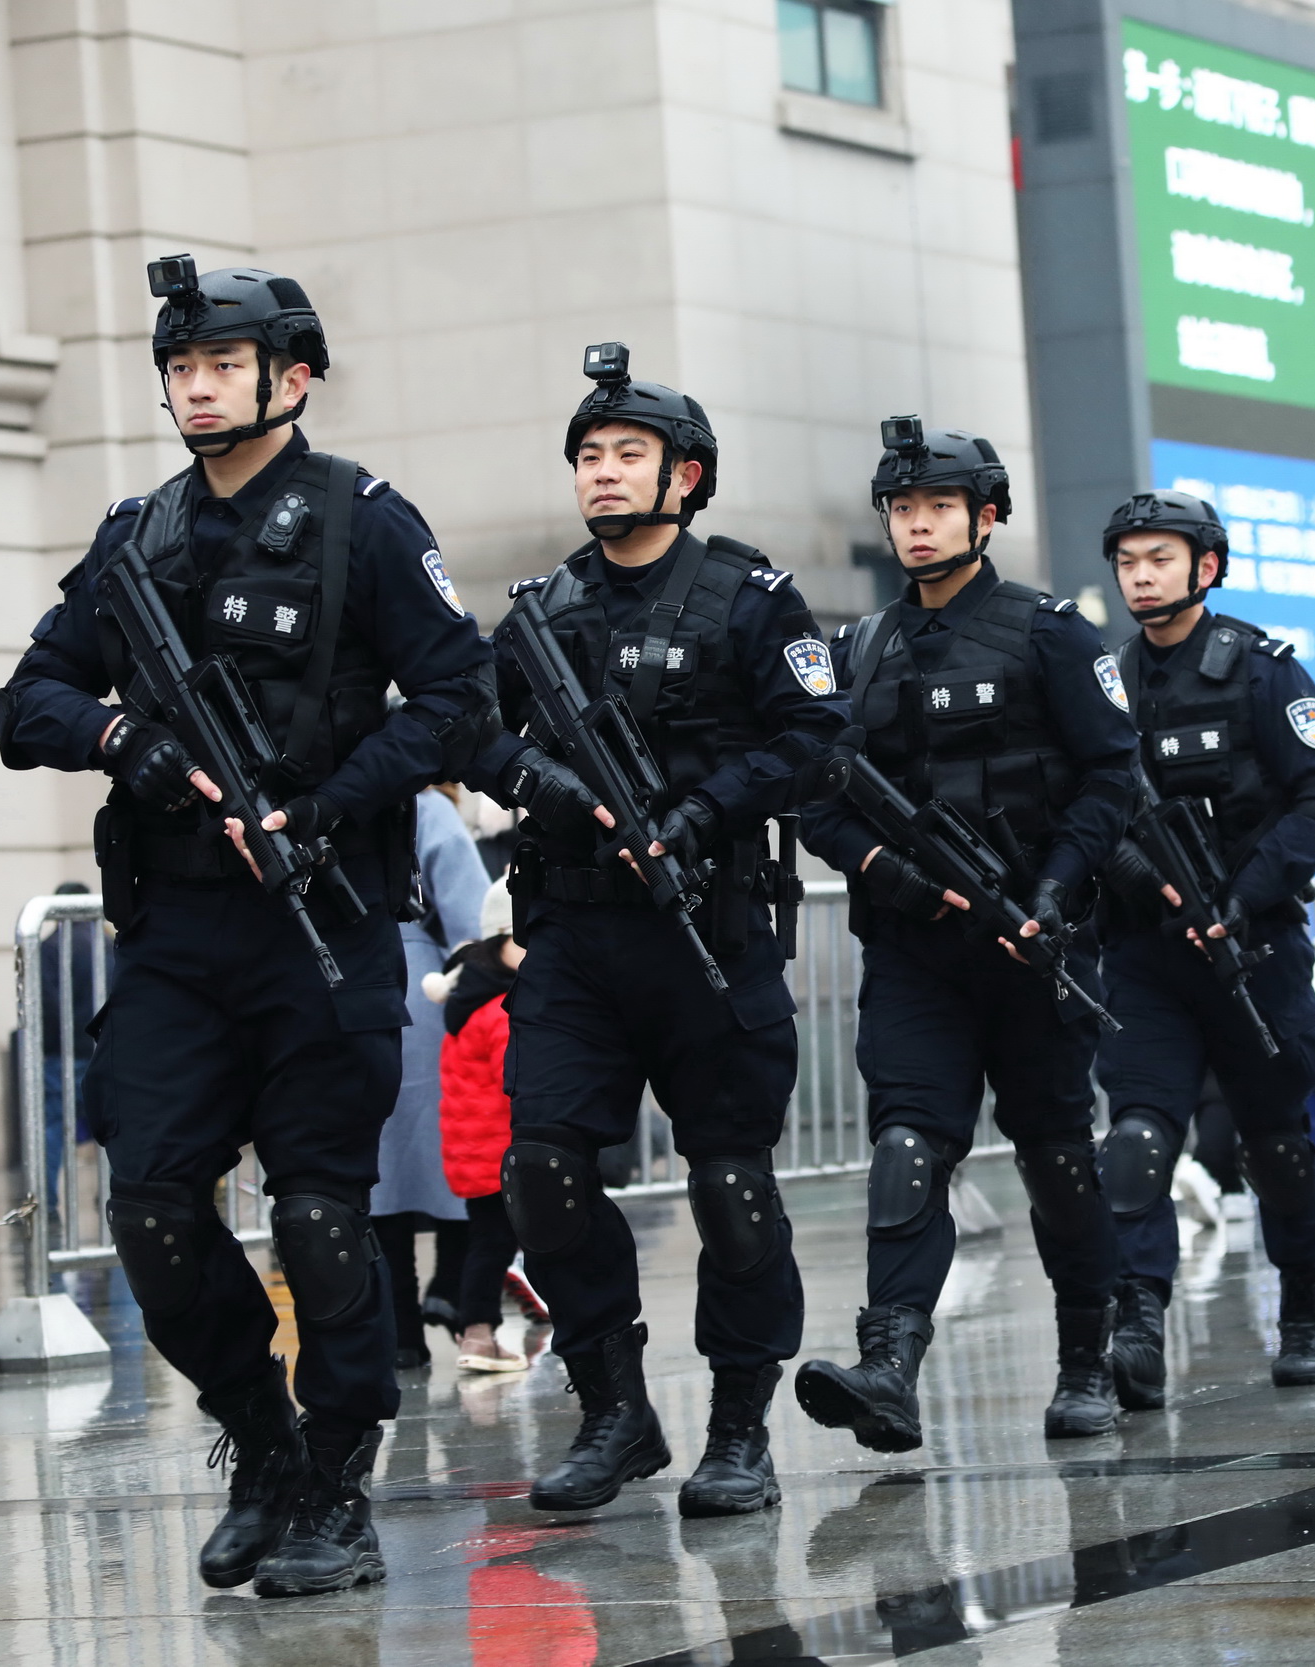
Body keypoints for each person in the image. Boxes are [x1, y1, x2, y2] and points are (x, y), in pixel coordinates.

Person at [0, 258, 495, 1597]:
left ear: (295, 376)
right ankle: (263, 1438)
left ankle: (337, 1480)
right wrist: (127, 741)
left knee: (323, 1215)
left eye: (224, 361)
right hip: (178, 936)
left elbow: (458, 696)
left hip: (320, 923)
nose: (198, 385)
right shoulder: (135, 536)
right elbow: (26, 700)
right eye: (181, 367)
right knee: (152, 1204)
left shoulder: (364, 522)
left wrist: (332, 803)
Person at [467, 346, 844, 1520]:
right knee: (542, 1168)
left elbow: (813, 738)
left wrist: (695, 812)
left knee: (730, 1182)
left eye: (628, 454)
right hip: (576, 933)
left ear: (686, 475)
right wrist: (543, 784)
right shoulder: (541, 611)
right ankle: (615, 1410)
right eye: (588, 456)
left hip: (709, 926)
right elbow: (469, 736)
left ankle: (738, 1428)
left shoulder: (752, 596)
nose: (603, 474)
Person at [793, 418, 1138, 1450]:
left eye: (939, 507)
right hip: (915, 951)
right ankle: (889, 1361)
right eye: (902, 510)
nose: (918, 526)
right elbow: (815, 797)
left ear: (985, 515)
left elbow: (1113, 775)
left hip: (1037, 942)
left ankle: (1086, 1358)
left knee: (1055, 1155)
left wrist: (1052, 889)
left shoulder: (1051, 634)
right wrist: (894, 877)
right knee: (907, 1142)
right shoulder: (857, 648)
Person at [1091, 487, 1315, 1408]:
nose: (1140, 576)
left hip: (1256, 946)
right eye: (1127, 561)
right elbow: (1087, 808)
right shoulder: (1106, 678)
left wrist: (1243, 897)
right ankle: (1138, 1320)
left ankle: (1309, 1309)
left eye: (1159, 558)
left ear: (1205, 567)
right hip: (1147, 954)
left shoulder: (1264, 671)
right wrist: (1132, 875)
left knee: (1276, 1141)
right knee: (1135, 1139)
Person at [372, 784, 486, 1370]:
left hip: (340, 985)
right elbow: (471, 917)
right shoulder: (426, 807)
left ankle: (399, 1334)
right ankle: (452, 1288)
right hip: (422, 990)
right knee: (460, 1154)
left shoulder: (322, 801)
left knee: (379, 1176)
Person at [429, 878, 531, 1373]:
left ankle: (479, 1336)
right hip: (499, 1153)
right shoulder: (500, 1011)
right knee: (494, 1246)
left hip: (476, 1152)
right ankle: (478, 1336)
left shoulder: (468, 1002)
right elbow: (514, 1081)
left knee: (488, 1244)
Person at [35, 882, 102, 1212]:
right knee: (113, 1128)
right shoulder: (105, 944)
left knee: (53, 1128)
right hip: (104, 1050)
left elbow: (47, 1005)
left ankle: (46, 1201)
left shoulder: (49, 948)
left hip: (61, 1053)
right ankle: (110, 1193)